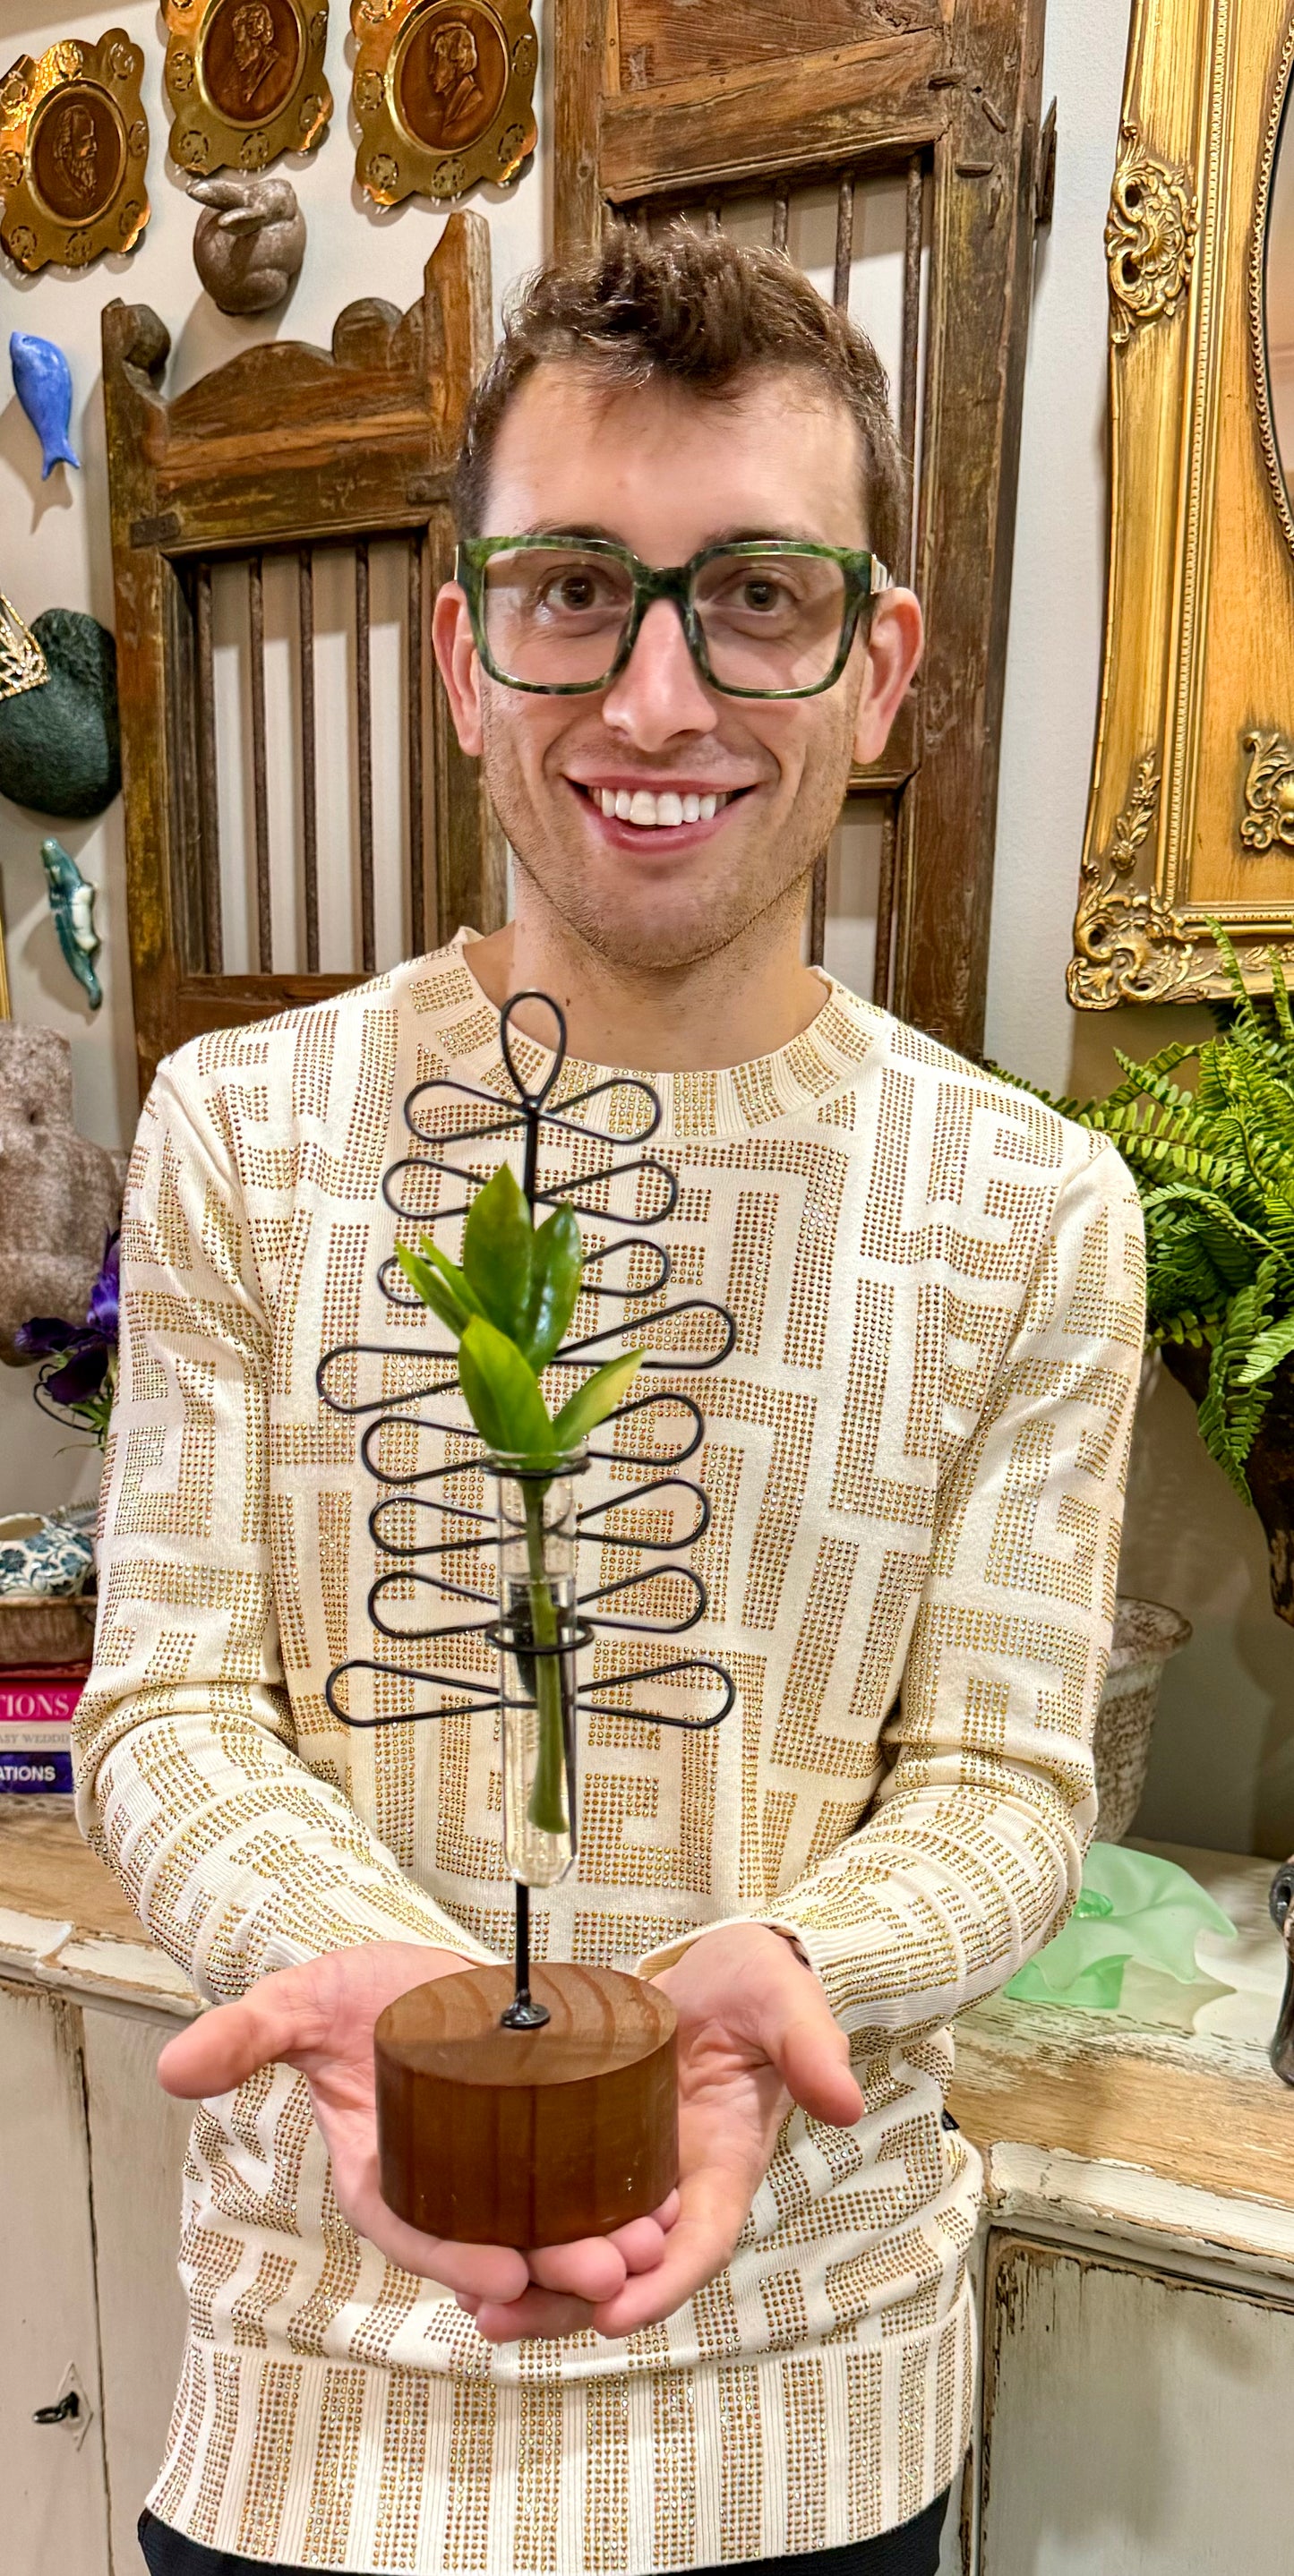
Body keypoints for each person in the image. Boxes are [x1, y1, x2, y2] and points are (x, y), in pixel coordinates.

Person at [78, 227, 1144, 2576]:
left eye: (757, 598)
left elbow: (996, 1786)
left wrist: (792, 1985)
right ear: (466, 652)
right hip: (315, 2426)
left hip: (811, 2428)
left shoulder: (1032, 1211)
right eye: (577, 591)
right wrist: (392, 2000)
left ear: (883, 669)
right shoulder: (240, 1134)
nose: (659, 694)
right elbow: (162, 1708)